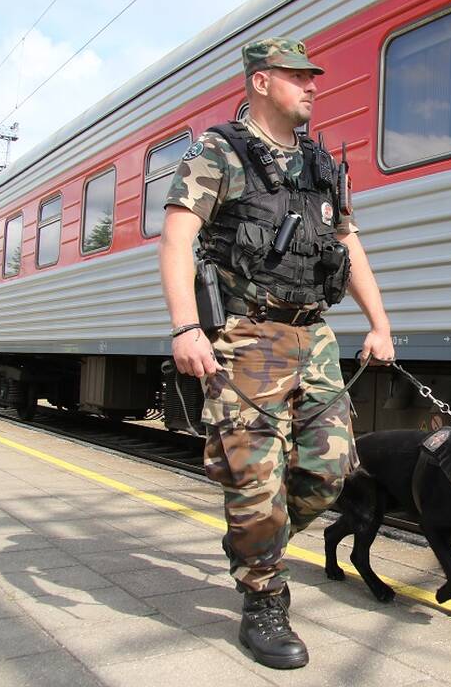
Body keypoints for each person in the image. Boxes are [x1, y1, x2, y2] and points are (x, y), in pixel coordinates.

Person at [158, 37, 394, 670]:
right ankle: (264, 597)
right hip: (245, 337)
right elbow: (178, 237)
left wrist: (380, 322)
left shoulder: (320, 164)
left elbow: (348, 245)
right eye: (298, 77)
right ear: (261, 82)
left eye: (313, 77)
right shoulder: (220, 152)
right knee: (255, 476)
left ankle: (254, 534)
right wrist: (187, 327)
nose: (313, 85)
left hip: (314, 335)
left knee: (333, 467)